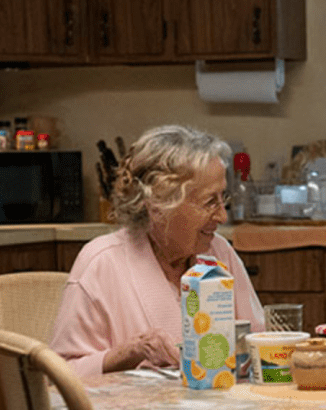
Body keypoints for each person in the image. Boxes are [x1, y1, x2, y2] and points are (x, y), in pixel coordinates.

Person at [51, 125, 264, 377]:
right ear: (159, 205)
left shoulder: (218, 252)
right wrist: (128, 353)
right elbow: (55, 377)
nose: (222, 215)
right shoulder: (101, 262)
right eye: (210, 202)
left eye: (223, 199)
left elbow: (259, 346)